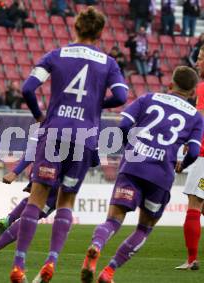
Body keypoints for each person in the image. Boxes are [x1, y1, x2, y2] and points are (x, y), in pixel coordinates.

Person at [9, 7, 128, 283]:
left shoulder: (56, 54)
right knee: (66, 201)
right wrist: (97, 103)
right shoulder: (109, 62)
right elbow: (121, 95)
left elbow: (27, 88)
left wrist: (41, 116)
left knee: (36, 199)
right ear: (100, 33)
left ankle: (19, 264)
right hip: (85, 138)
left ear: (75, 27)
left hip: (54, 131)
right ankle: (51, 260)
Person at [80, 66, 203, 283]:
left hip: (133, 167)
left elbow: (125, 124)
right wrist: (182, 165)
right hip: (161, 176)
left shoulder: (148, 98)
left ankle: (97, 245)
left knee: (113, 220)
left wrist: (133, 145)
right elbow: (194, 151)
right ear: (193, 93)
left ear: (170, 84)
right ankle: (109, 272)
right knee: (144, 228)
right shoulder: (195, 117)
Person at [175, 46, 204, 271]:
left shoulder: (203, 88)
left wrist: (188, 142)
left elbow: (200, 120)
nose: (198, 62)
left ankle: (192, 259)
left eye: (202, 58)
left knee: (194, 203)